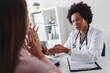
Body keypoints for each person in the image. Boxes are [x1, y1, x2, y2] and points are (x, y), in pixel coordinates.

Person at [0, 0, 61, 73]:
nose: (29, 21)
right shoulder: (33, 67)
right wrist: (40, 55)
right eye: (27, 14)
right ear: (19, 21)